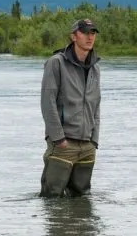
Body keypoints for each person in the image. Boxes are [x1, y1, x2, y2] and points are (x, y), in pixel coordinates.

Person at [40, 18, 101, 197]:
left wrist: (94, 140)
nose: (90, 37)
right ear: (73, 36)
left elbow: (96, 104)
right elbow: (47, 102)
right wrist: (58, 138)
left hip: (87, 146)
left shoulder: (95, 67)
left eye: (93, 33)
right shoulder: (56, 63)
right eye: (84, 32)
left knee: (82, 200)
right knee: (51, 199)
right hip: (63, 144)